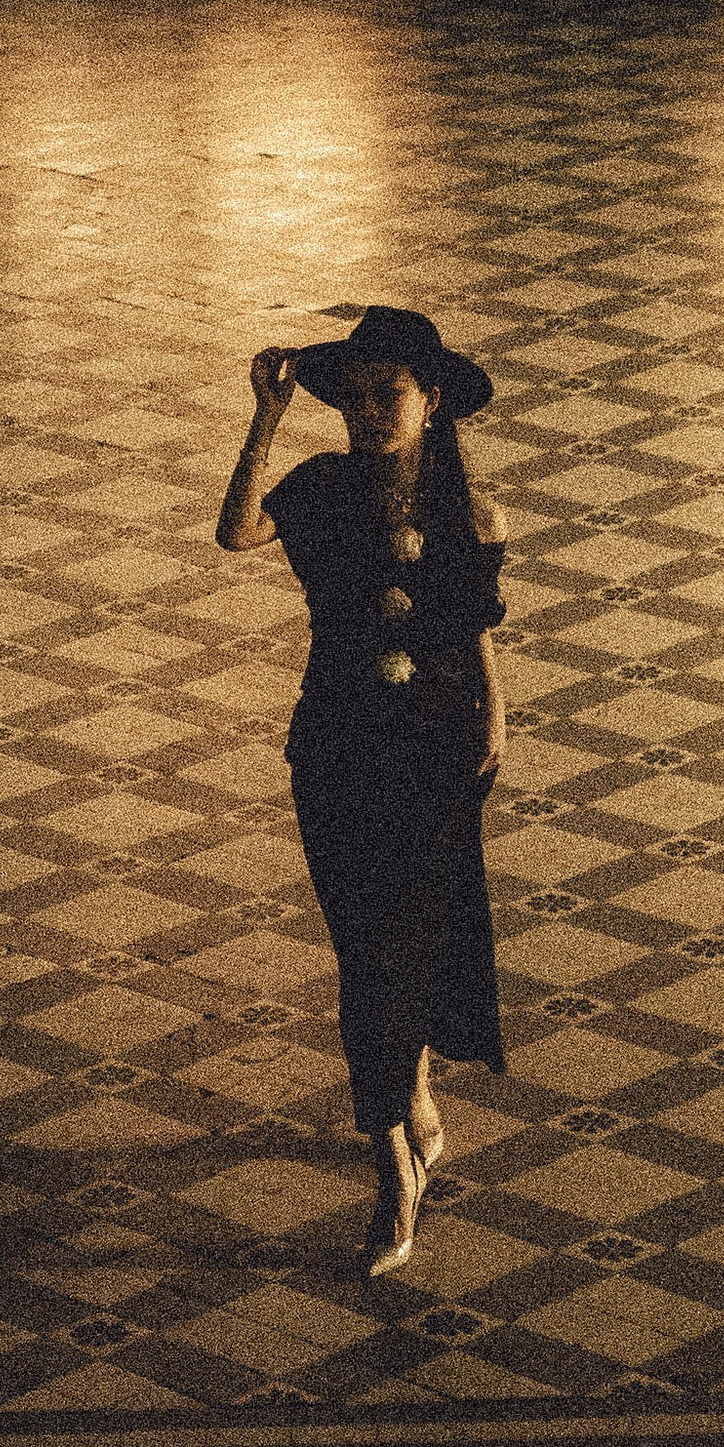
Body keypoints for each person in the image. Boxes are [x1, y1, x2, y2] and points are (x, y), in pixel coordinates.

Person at [215, 302, 506, 1277]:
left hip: (433, 752)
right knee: (364, 951)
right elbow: (236, 531)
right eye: (355, 398)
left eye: (390, 394)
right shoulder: (324, 490)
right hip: (338, 749)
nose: (371, 412)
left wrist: (494, 726)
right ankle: (398, 1129)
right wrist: (266, 415)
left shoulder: (467, 509)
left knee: (408, 944)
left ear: (430, 400)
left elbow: (475, 630)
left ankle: (396, 1148)